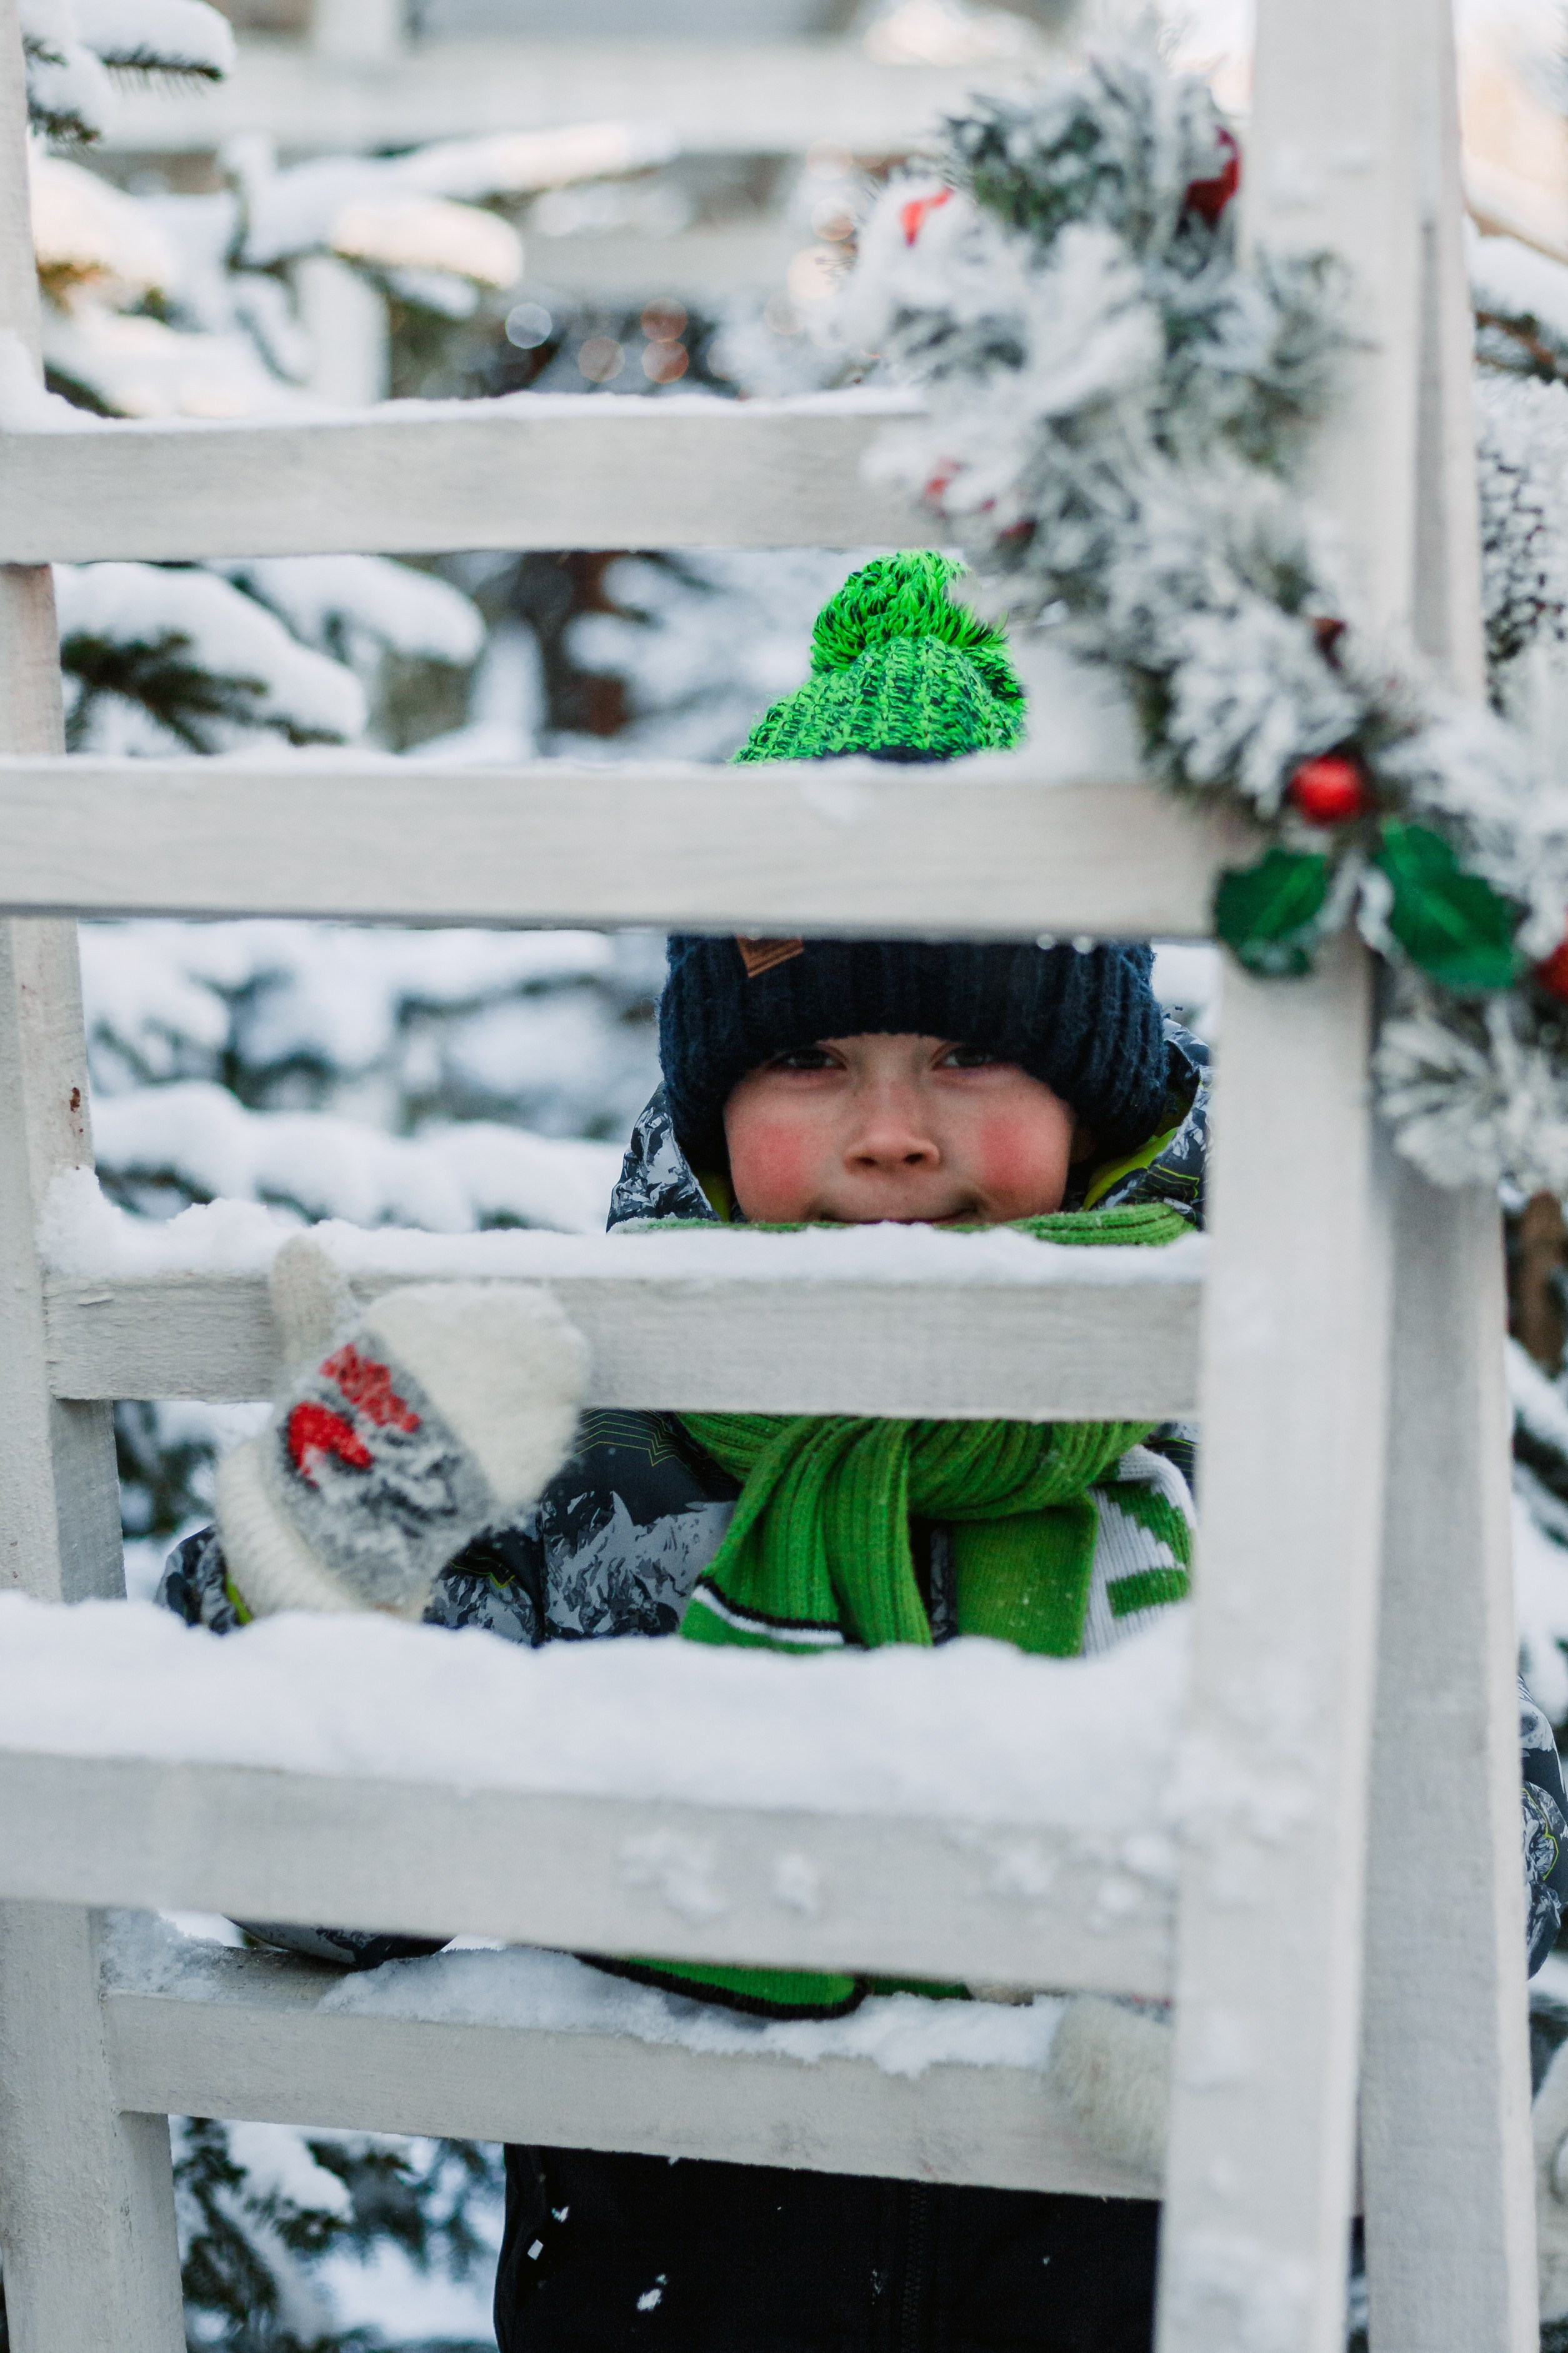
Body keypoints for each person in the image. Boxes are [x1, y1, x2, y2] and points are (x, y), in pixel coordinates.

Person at [160, 553, 1567, 2352]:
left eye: (969, 1049)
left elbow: (1499, 1828)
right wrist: (333, 1537)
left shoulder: (1242, 1408)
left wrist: (1262, 1979)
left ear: (1094, 1090)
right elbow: (308, 1883)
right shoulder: (596, 1449)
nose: (891, 1133)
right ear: (709, 1101)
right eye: (813, 1056)